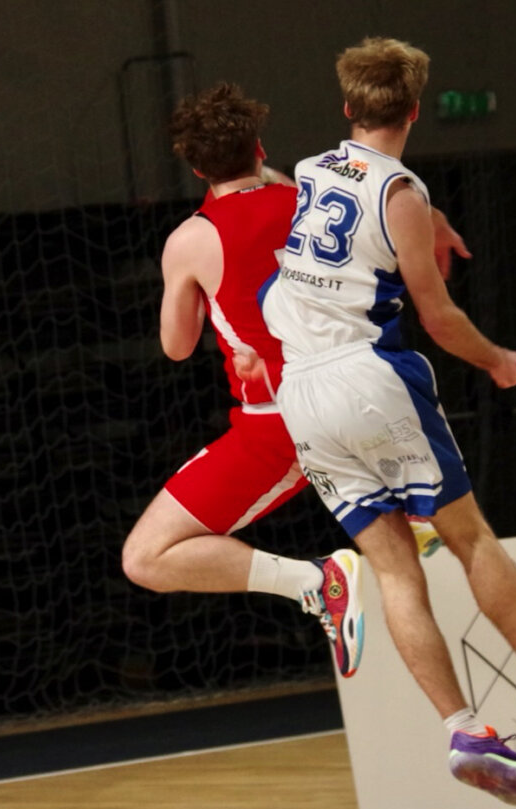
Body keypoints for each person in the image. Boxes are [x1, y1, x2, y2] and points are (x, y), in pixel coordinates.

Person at [258, 38, 516, 806]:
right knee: (468, 534)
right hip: (369, 377)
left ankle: (463, 729)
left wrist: (427, 217)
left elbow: (325, 197)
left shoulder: (309, 170)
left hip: (299, 395)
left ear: (347, 106)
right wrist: (499, 360)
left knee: (393, 569)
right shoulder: (402, 194)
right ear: (415, 111)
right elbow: (440, 318)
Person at [121, 84, 455, 678]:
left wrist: (203, 297)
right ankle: (411, 496)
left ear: (195, 169)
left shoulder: (191, 240)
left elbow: (176, 348)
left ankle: (312, 580)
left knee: (146, 558)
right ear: (260, 146)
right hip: (371, 387)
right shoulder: (314, 201)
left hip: (282, 421)